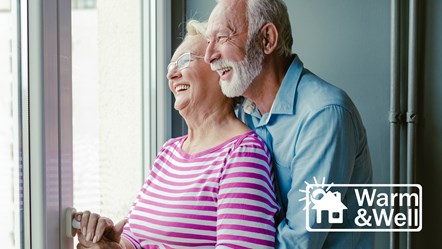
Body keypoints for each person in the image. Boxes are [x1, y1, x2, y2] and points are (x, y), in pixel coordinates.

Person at [74, 20, 278, 249]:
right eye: (171, 66)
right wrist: (114, 245)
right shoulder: (169, 151)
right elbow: (138, 238)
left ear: (221, 69)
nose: (172, 74)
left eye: (185, 61)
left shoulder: (242, 155)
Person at [204, 0, 373, 248]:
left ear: (267, 39)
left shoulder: (323, 114)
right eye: (209, 41)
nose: (209, 56)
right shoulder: (244, 114)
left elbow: (298, 242)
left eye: (222, 37)